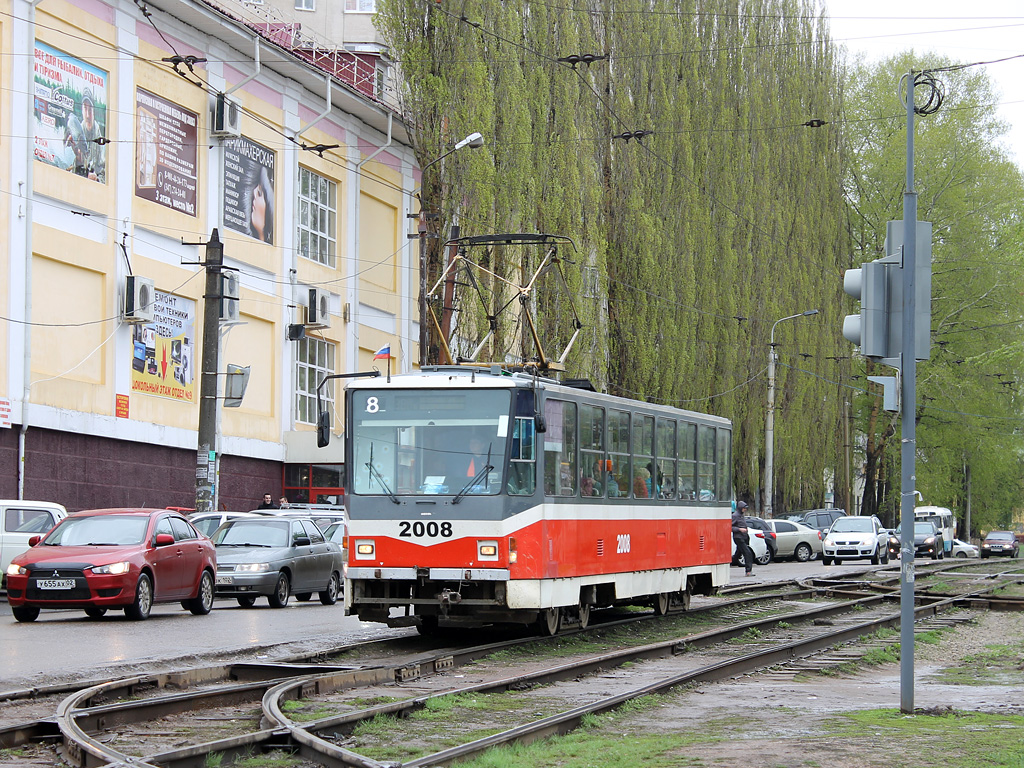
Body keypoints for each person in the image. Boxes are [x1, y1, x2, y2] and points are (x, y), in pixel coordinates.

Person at [732, 500, 754, 576]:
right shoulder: (735, 516)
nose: (745, 510)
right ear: (740, 508)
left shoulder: (741, 515)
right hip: (738, 537)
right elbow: (730, 527)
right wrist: (739, 529)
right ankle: (748, 571)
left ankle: (730, 562)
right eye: (744, 508)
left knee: (738, 554)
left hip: (743, 537)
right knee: (747, 553)